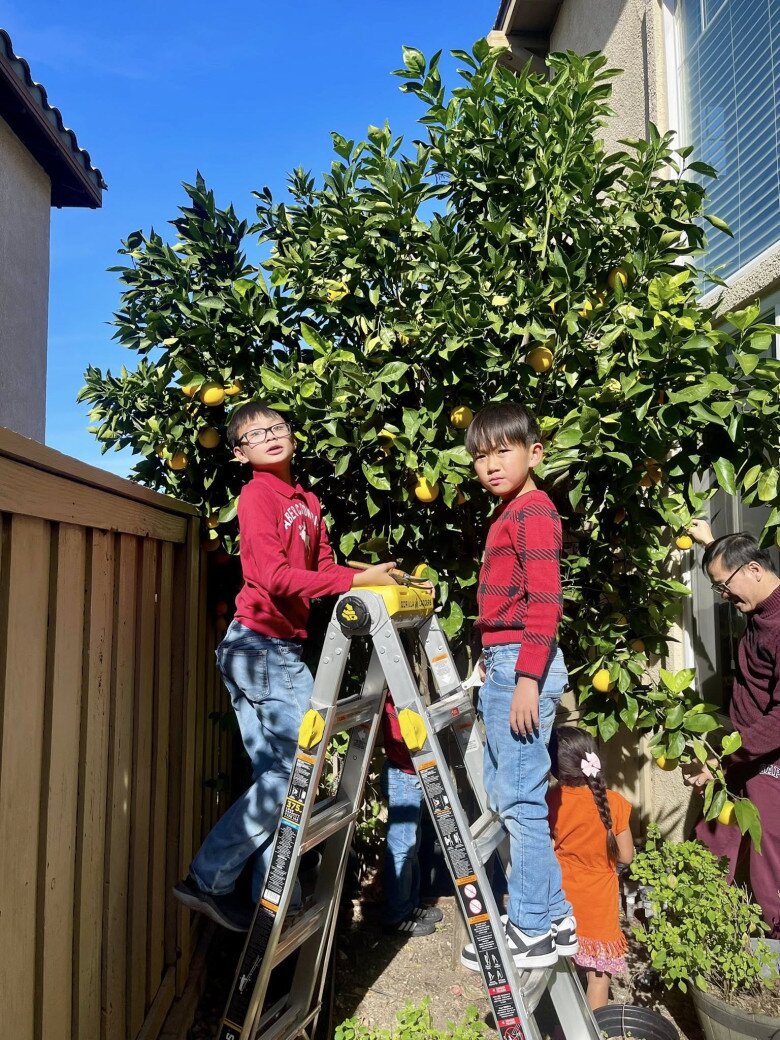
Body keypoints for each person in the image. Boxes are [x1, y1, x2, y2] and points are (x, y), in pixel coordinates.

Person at [174, 401, 397, 931]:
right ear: (239, 453)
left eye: (276, 427)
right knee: (302, 768)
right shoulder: (256, 496)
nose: (269, 436)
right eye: (254, 435)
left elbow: (322, 569)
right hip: (261, 647)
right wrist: (355, 582)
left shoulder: (307, 501)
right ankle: (210, 877)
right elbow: (272, 577)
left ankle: (271, 900)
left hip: (267, 650)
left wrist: (370, 575)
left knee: (278, 776)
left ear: (292, 436)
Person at [461, 401, 577, 970]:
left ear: (534, 453)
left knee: (520, 801)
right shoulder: (512, 510)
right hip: (506, 661)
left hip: (522, 667)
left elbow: (545, 601)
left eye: (503, 451)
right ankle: (553, 916)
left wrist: (527, 676)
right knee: (513, 794)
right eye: (480, 456)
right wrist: (492, 657)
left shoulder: (533, 511)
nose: (491, 465)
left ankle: (529, 927)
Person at [684, 522, 780, 939]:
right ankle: (696, 932)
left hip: (768, 764)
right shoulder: (759, 608)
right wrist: (712, 544)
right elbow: (737, 566)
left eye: (724, 586)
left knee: (769, 866)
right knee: (710, 844)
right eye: (717, 587)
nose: (723, 596)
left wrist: (722, 759)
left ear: (755, 570)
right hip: (743, 758)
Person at [547, 727, 634, 1009]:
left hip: (562, 896)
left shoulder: (551, 800)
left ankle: (564, 1021)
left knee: (564, 968)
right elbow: (626, 856)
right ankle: (597, 1026)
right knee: (598, 977)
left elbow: (547, 847)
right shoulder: (615, 803)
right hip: (599, 904)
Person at [379, 694, 444, 937]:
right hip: (403, 777)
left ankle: (409, 905)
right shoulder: (394, 694)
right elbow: (401, 736)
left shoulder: (402, 691)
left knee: (411, 849)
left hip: (411, 774)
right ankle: (396, 916)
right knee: (402, 849)